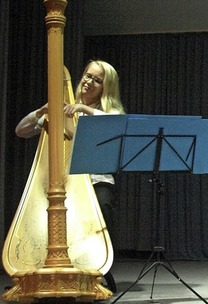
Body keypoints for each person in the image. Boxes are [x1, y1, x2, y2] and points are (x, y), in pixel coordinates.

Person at [15, 60, 126, 293]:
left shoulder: (109, 111)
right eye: (88, 76)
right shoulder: (64, 108)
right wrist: (41, 112)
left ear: (106, 87)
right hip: (65, 182)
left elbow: (114, 124)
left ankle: (95, 268)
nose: (89, 82)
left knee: (102, 204)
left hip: (97, 181)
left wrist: (83, 109)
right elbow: (21, 130)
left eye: (97, 80)